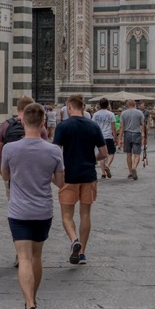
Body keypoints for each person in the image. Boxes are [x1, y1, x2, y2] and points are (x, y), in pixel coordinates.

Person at [0, 102, 64, 309]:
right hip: (43, 211)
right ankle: (32, 301)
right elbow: (61, 182)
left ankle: (29, 305)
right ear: (43, 122)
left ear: (23, 121)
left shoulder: (10, 149)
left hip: (19, 211)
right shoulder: (54, 150)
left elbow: (5, 175)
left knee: (24, 257)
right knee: (36, 256)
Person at [52, 94, 105, 265]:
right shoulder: (93, 126)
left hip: (69, 175)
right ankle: (82, 253)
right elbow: (104, 153)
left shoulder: (63, 126)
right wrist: (91, 159)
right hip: (88, 175)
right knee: (85, 214)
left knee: (67, 215)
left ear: (69, 106)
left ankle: (75, 240)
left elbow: (55, 152)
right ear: (82, 107)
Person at [0, 95, 30, 169]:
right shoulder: (38, 126)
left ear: (17, 108)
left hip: (12, 169)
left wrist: (2, 169)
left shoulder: (5, 125)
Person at [120, 100, 146, 180]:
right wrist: (144, 137)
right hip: (137, 134)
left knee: (128, 154)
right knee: (137, 154)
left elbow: (122, 127)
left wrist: (120, 138)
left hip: (127, 134)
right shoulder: (140, 113)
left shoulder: (123, 113)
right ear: (135, 105)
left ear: (127, 105)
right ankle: (134, 167)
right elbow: (143, 125)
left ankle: (130, 172)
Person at [94, 100, 117, 179]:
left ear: (99, 105)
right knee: (111, 152)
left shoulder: (95, 114)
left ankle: (103, 173)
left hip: (98, 136)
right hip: (108, 136)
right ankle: (107, 165)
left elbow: (93, 126)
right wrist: (115, 138)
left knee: (101, 155)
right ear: (107, 105)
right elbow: (113, 127)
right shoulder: (111, 114)